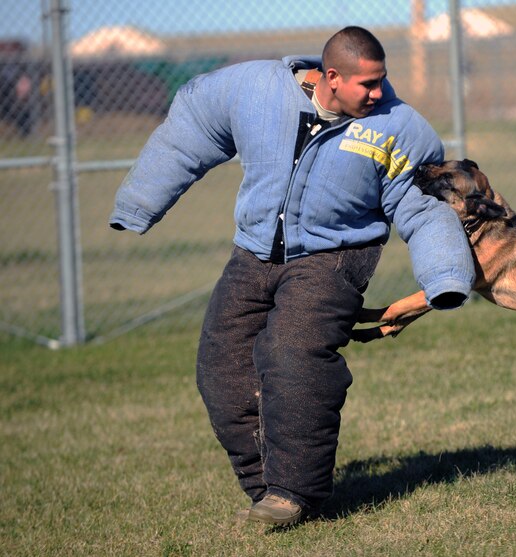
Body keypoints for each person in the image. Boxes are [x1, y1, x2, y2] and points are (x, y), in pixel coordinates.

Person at [109, 26, 474, 526]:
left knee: (293, 356)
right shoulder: (255, 91)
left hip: (336, 257)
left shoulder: (399, 127)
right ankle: (267, 489)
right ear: (330, 76)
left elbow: (422, 206)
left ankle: (293, 493)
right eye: (367, 84)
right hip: (253, 253)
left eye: (382, 81)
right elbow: (193, 124)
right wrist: (138, 204)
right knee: (221, 369)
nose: (379, 93)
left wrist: (446, 275)